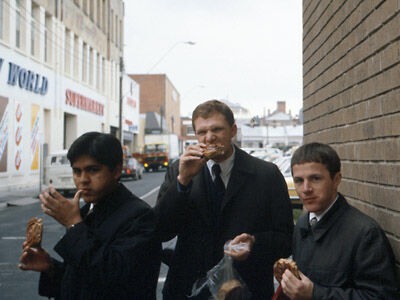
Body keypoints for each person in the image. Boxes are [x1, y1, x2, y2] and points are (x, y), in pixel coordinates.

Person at [155, 100, 294, 299]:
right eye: (202, 132)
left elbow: (286, 238)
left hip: (245, 289)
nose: (209, 138)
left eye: (217, 129)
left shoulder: (266, 175)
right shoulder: (180, 171)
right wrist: (182, 182)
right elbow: (160, 230)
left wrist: (255, 243)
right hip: (189, 289)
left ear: (233, 130)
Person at [19, 132, 161, 299]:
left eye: (93, 170)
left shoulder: (140, 216)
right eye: (77, 171)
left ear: (116, 171)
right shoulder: (87, 211)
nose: (83, 180)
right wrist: (50, 267)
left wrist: (73, 225)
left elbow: (114, 278)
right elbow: (82, 281)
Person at [281, 142, 399, 299]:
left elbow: (381, 296)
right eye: (299, 181)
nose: (306, 189)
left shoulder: (365, 234)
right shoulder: (303, 224)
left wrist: (315, 294)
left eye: (315, 178)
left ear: (336, 179)